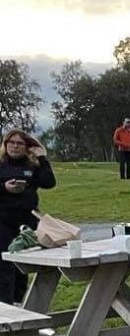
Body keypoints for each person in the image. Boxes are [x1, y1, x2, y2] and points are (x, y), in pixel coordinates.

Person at [0, 129, 57, 305]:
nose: (15, 146)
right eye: (11, 143)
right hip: (2, 220)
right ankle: (5, 304)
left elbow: (49, 183)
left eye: (19, 143)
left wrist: (42, 158)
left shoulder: (32, 166)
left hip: (26, 221)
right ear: (5, 145)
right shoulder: (1, 165)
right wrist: (5, 187)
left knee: (22, 263)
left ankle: (19, 302)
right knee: (4, 263)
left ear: (26, 147)